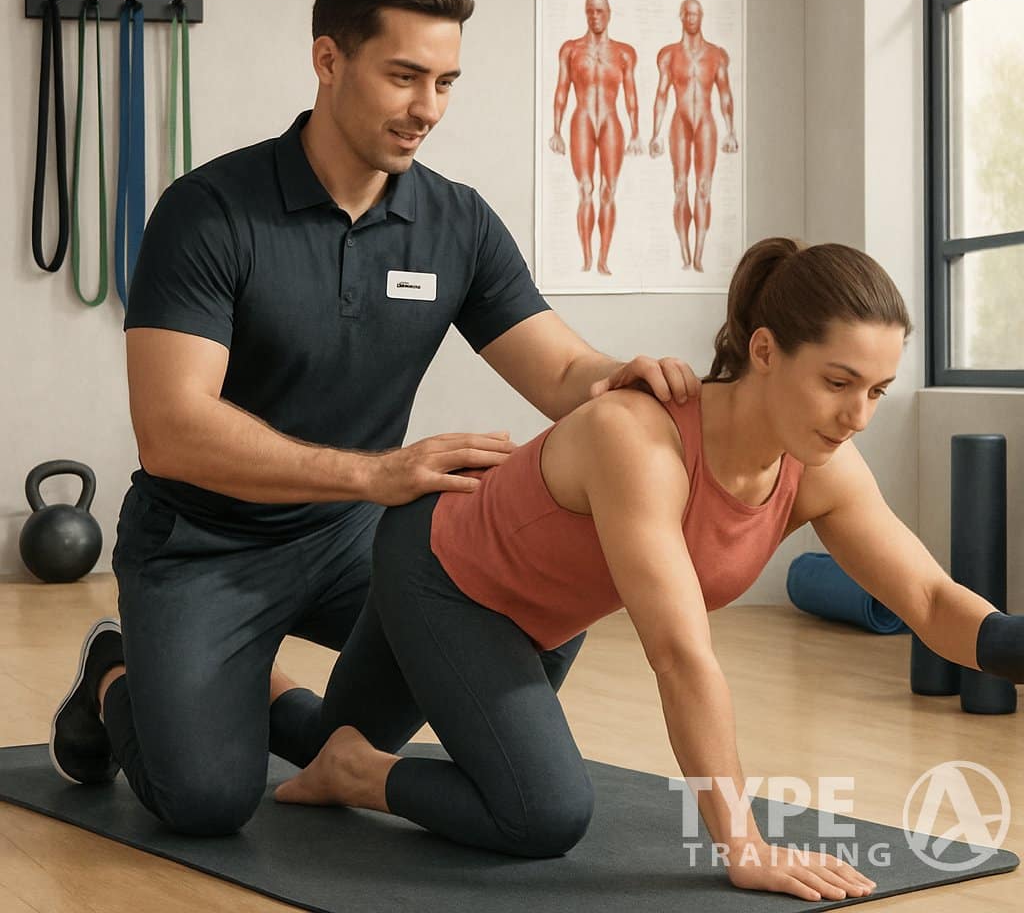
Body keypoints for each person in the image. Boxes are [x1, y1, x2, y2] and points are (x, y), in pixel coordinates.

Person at [48, 0, 703, 836]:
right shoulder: (209, 211)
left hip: (357, 541)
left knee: (513, 601)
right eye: (404, 76)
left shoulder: (456, 222)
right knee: (204, 800)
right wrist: (374, 474)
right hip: (204, 544)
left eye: (445, 82)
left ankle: (275, 705)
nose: (428, 108)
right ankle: (115, 670)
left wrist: (620, 379)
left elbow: (560, 372)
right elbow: (173, 429)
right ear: (329, 60)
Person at [274, 237, 1024, 902]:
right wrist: (744, 845)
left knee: (330, 738)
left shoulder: (820, 465)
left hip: (543, 617)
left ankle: (266, 690)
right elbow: (679, 656)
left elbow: (930, 599)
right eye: (838, 382)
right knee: (541, 812)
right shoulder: (641, 439)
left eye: (877, 391)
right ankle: (357, 772)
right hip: (442, 572)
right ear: (765, 351)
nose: (858, 415)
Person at [549, 0, 643, 275]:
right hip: (582, 118)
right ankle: (587, 257)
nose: (595, 16)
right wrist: (556, 130)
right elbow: (562, 90)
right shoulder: (571, 49)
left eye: (600, 11)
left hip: (611, 120)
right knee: (585, 189)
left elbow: (631, 94)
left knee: (608, 190)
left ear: (609, 13)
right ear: (585, 13)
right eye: (590, 11)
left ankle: (603, 258)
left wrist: (636, 132)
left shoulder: (624, 52)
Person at [650, 0, 738, 273]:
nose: (691, 18)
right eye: (687, 14)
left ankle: (699, 254)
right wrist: (655, 133)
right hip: (680, 120)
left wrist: (731, 131)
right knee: (680, 187)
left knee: (703, 188)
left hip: (706, 122)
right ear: (681, 16)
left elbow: (725, 93)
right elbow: (661, 94)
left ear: (701, 17)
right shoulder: (669, 55)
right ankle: (685, 254)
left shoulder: (716, 55)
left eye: (695, 14)